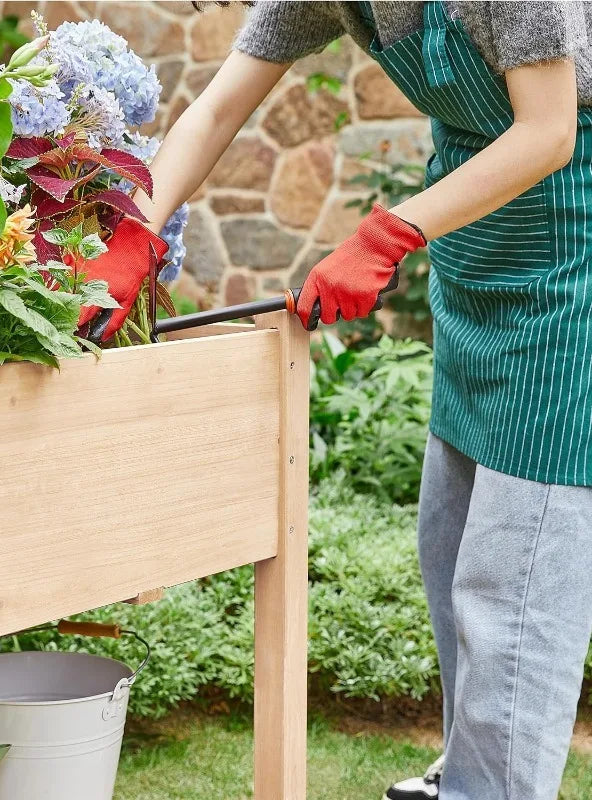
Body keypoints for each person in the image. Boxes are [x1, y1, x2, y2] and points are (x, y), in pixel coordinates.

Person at [79, 3, 592, 799]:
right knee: (450, 548)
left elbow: (549, 131)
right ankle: (471, 774)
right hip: (480, 261)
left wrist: (388, 235)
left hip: (574, 262)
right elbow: (216, 107)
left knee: (513, 584)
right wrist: (137, 233)